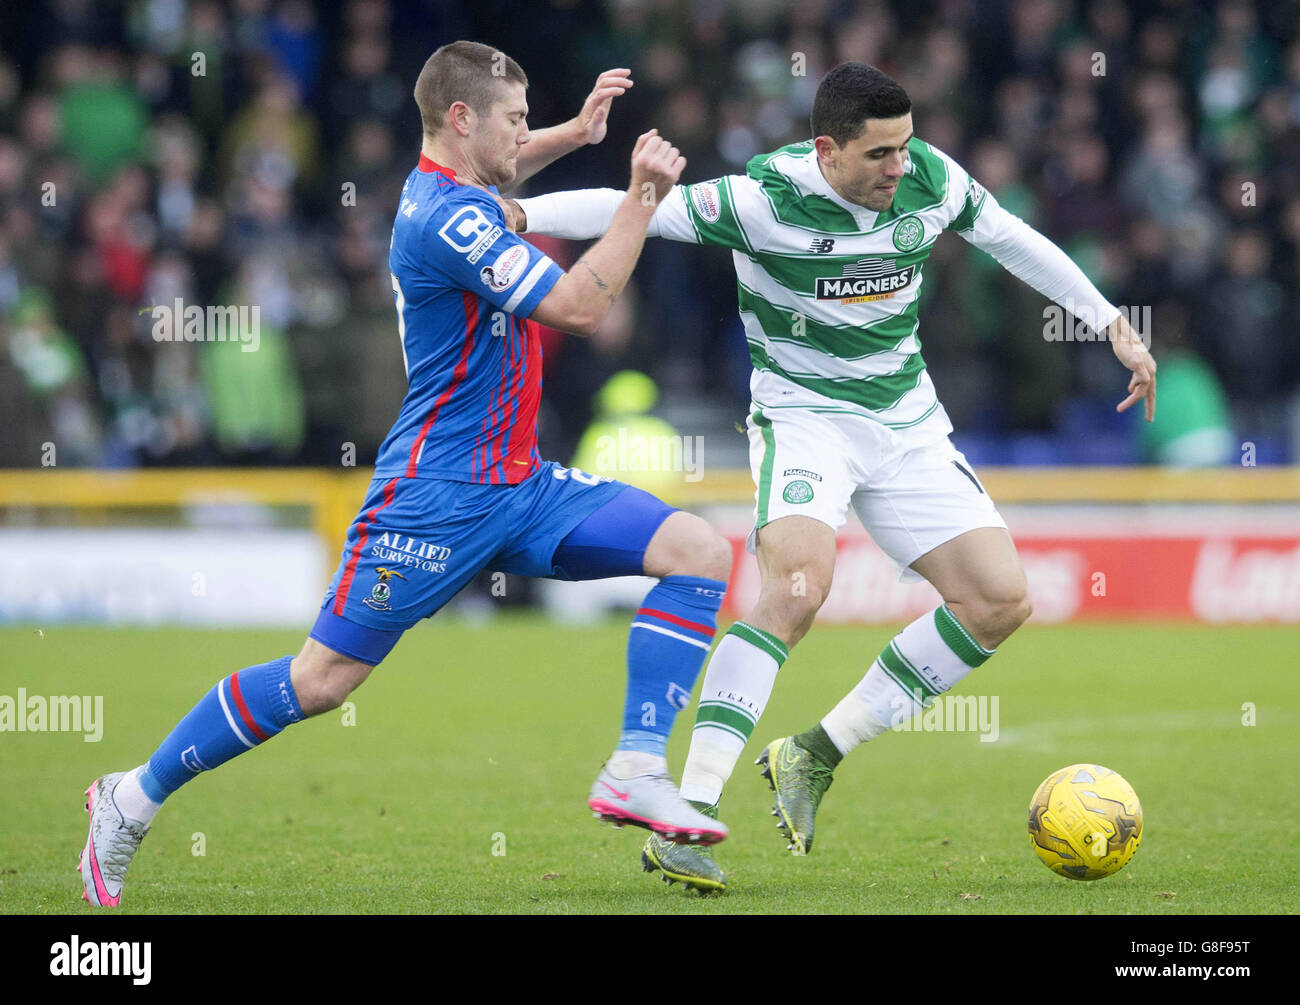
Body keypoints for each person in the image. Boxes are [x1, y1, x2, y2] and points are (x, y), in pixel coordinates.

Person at [79, 41, 733, 908]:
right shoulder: (452, 219)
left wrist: (574, 133)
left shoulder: (458, 187)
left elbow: (505, 171)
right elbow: (579, 308)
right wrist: (641, 201)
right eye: (515, 120)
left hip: (522, 486)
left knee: (697, 550)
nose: (523, 135)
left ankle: (637, 766)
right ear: (462, 120)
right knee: (322, 681)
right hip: (435, 500)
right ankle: (128, 798)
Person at [508, 62, 1157, 893]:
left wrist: (1111, 324)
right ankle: (687, 814)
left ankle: (814, 753)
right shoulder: (763, 201)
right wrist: (521, 212)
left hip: (905, 420)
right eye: (881, 153)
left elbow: (1010, 238)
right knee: (800, 588)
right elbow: (628, 206)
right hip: (805, 417)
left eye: (907, 146)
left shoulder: (929, 179)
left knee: (999, 602)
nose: (900, 167)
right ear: (828, 149)